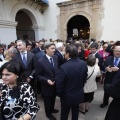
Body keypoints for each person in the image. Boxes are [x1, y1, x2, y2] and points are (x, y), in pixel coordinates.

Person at [56, 45, 88, 120]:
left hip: (66, 96)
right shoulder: (83, 64)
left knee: (64, 113)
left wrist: (60, 94)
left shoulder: (63, 67)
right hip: (78, 94)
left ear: (68, 54)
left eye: (65, 53)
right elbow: (84, 78)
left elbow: (59, 84)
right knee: (75, 112)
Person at [36, 42, 59, 120]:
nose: (54, 50)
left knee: (53, 98)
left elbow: (56, 70)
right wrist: (46, 80)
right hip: (46, 86)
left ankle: (52, 109)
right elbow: (38, 76)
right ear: (46, 49)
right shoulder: (40, 61)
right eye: (52, 48)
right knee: (47, 101)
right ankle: (48, 114)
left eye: (54, 48)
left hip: (55, 84)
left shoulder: (56, 58)